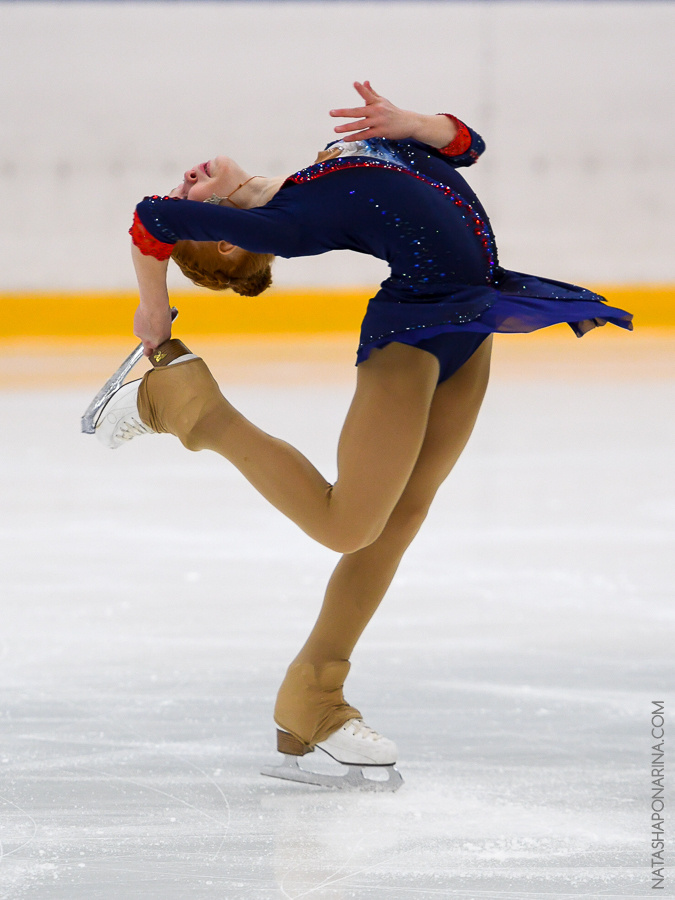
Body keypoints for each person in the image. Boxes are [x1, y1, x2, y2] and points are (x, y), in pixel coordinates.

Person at [92, 82, 632, 789]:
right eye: (189, 194)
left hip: (473, 321)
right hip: (413, 332)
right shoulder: (287, 224)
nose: (183, 182)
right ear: (228, 238)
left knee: (400, 518)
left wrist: (412, 121)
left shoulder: (328, 161)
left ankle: (312, 693)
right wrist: (153, 309)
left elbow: (465, 146)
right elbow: (151, 218)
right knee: (347, 525)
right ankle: (187, 406)